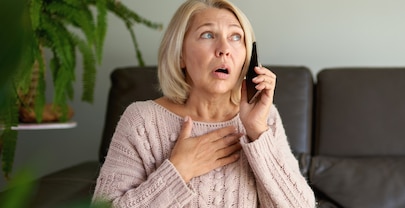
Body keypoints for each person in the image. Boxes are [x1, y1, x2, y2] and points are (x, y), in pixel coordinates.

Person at [92, 0, 316, 207]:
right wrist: (178, 171)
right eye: (208, 35)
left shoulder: (265, 117)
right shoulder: (141, 120)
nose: (224, 48)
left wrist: (257, 131)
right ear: (180, 55)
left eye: (236, 37)